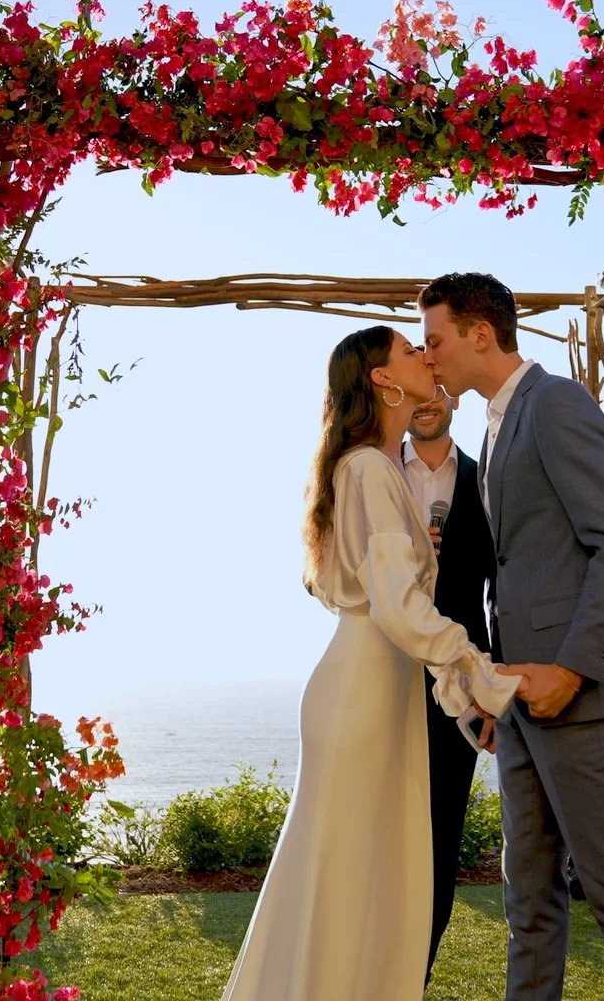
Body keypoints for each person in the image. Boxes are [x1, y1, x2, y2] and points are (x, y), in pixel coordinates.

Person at [222, 326, 520, 1001]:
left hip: (377, 688)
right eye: (410, 351)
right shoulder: (369, 470)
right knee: (352, 883)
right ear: (384, 380)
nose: (425, 356)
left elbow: (399, 609)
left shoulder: (364, 467)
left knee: (366, 882)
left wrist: (459, 687)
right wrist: (479, 674)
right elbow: (398, 606)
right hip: (364, 696)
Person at [419, 273, 604, 1001]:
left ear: (479, 335)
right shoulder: (494, 424)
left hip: (573, 691)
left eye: (434, 340)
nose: (427, 357)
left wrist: (572, 671)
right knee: (527, 900)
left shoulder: (556, 403)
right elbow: (516, 570)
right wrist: (495, 687)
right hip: (520, 699)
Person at [397, 387, 496, 984]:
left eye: (434, 389)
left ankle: (416, 980)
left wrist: (492, 686)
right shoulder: (373, 471)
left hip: (459, 689)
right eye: (413, 390)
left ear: (451, 397)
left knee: (439, 842)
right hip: (381, 678)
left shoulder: (486, 479)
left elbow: (501, 589)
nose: (425, 401)